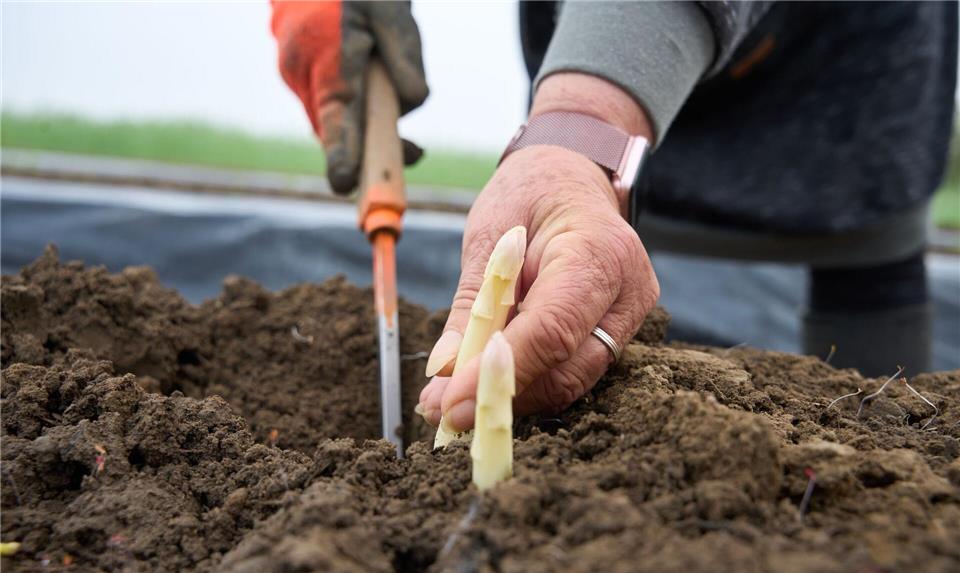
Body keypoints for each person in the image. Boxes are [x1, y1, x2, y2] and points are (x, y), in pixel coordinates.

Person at [271, 1, 957, 434]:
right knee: (577, 253)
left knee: (879, 373)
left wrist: (581, 131)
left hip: (839, 64)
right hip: (595, 35)